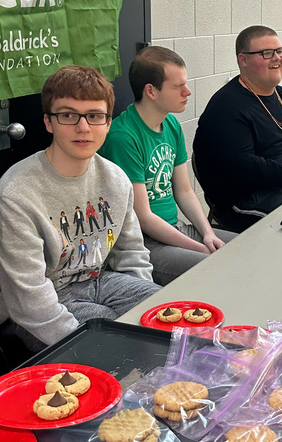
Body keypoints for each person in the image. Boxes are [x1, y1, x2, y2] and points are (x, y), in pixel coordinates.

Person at [0, 66, 160, 351]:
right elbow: (29, 301)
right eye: (67, 115)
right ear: (48, 122)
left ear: (108, 122)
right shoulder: (15, 194)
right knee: (116, 346)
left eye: (94, 116)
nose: (83, 127)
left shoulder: (116, 179)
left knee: (166, 319)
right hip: (35, 303)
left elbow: (131, 254)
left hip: (99, 280)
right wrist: (108, 341)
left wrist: (144, 310)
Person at [100, 46, 233, 285]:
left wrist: (207, 232)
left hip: (177, 228)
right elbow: (144, 217)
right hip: (144, 242)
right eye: (177, 86)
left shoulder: (171, 124)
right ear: (151, 91)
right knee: (218, 269)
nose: (187, 91)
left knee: (247, 247)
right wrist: (199, 248)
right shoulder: (123, 137)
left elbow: (184, 191)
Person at [193, 26, 282, 229]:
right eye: (267, 53)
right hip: (250, 198)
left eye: (280, 51)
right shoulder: (226, 106)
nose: (277, 58)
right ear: (242, 60)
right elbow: (244, 167)